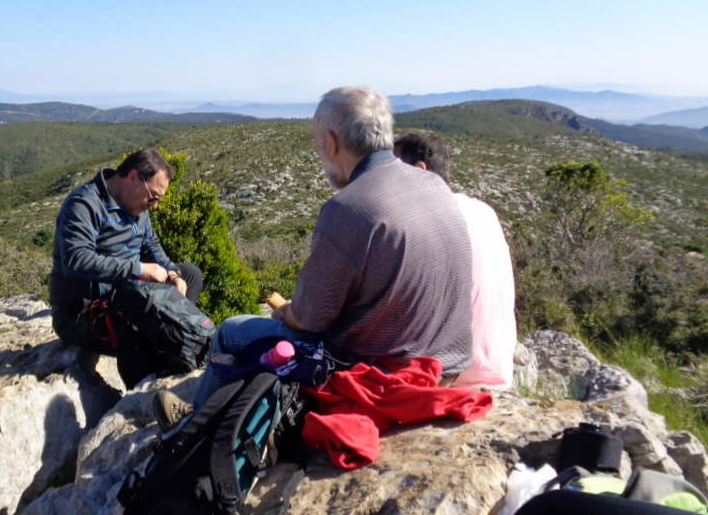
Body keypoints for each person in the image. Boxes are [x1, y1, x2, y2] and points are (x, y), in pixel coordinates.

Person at [153, 86, 474, 431]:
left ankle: (193, 427)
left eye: (319, 144)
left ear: (332, 142)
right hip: (447, 369)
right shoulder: (434, 185)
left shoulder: (349, 207)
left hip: (380, 374)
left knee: (230, 331)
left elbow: (309, 320)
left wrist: (286, 312)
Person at [49, 148, 204, 389]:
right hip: (86, 311)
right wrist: (138, 269)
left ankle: (173, 347)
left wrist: (172, 273)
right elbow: (75, 261)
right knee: (137, 331)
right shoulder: (84, 204)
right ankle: (146, 391)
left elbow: (150, 244)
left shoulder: (136, 206)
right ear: (133, 177)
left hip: (127, 292)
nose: (154, 206)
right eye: (152, 197)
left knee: (190, 275)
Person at [393, 131, 516, 389]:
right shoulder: (484, 212)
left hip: (445, 379)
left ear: (420, 171)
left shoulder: (422, 220)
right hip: (497, 375)